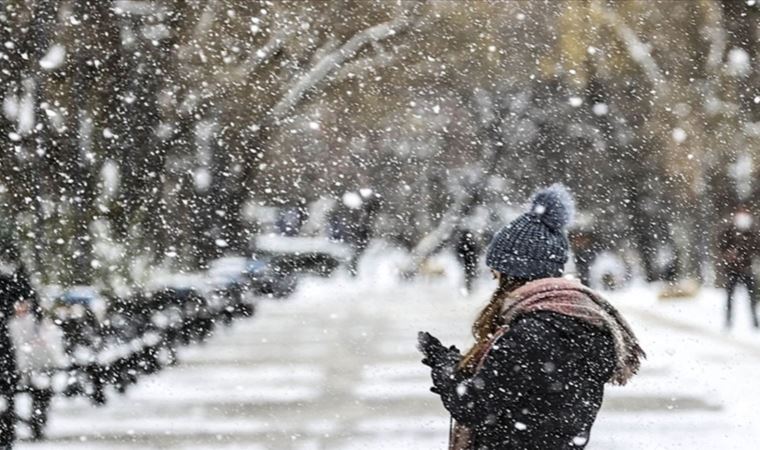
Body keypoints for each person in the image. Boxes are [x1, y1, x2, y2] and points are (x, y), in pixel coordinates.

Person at [417, 184, 645, 450]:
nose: (494, 278)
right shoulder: (583, 322)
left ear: (515, 272)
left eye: (498, 272)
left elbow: (474, 406)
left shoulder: (530, 334)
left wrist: (444, 369)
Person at [718, 206, 760, 329]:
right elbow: (721, 244)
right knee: (730, 296)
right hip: (732, 269)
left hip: (747, 268)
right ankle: (728, 320)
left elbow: (756, 248)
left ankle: (754, 322)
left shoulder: (752, 231)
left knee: (751, 297)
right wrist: (728, 254)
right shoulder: (729, 230)